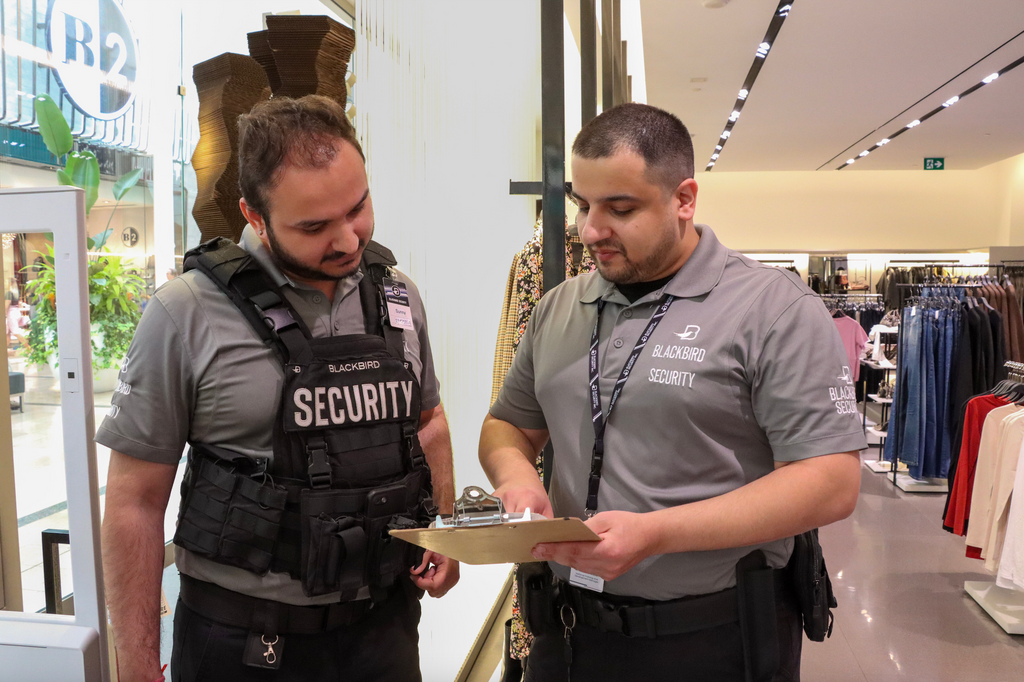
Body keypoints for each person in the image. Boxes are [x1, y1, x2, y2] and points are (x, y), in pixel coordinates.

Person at [480, 103, 865, 681]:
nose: (590, 230)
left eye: (620, 208)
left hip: (715, 638)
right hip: (567, 631)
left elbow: (831, 482)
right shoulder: (559, 307)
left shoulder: (774, 308)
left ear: (684, 200)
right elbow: (508, 424)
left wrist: (657, 533)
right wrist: (518, 480)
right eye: (584, 205)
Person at [98, 95, 459, 682]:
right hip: (243, 640)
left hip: (382, 627)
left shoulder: (398, 296)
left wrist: (441, 528)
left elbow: (428, 420)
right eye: (314, 226)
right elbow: (135, 501)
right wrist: (136, 664)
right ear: (255, 215)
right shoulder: (184, 315)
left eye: (358, 207)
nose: (347, 239)